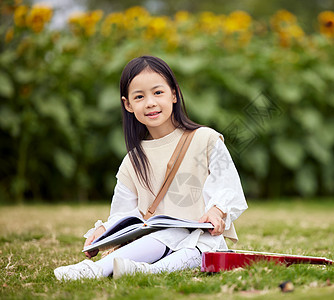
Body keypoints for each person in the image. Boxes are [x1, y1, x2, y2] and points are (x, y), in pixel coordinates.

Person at [54, 56, 248, 280]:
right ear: (128, 105)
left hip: (203, 241)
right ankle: (96, 269)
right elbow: (124, 214)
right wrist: (103, 232)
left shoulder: (206, 139)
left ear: (174, 94)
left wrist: (216, 211)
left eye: (158, 93)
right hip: (153, 243)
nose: (150, 103)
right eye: (139, 96)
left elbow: (227, 185)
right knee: (166, 235)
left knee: (196, 251)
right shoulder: (132, 161)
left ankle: (141, 271)